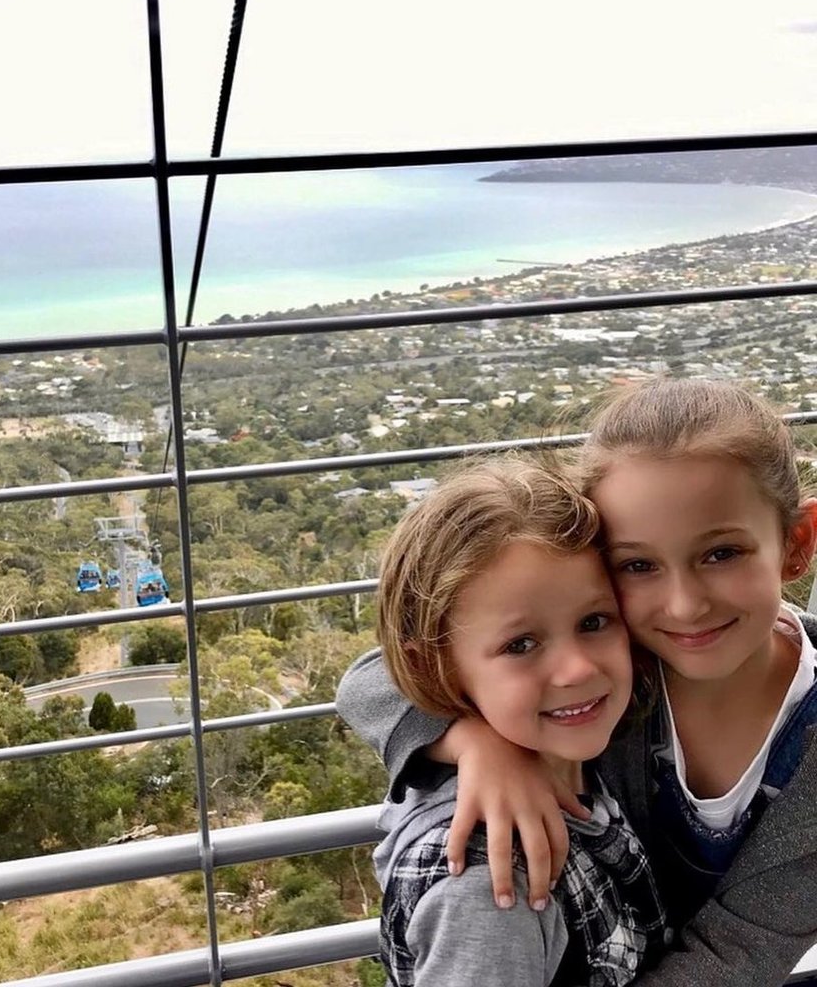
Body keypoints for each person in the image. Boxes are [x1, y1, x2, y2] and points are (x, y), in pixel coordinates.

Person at [337, 377, 817, 986]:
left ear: (796, 543)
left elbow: (738, 953)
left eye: (721, 553)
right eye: (638, 565)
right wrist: (476, 742)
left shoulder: (611, 658)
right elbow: (373, 679)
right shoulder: (619, 664)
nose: (685, 605)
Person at [372, 456, 668, 987]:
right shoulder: (490, 889)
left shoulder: (578, 760)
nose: (577, 668)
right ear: (433, 665)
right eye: (521, 644)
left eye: (594, 622)